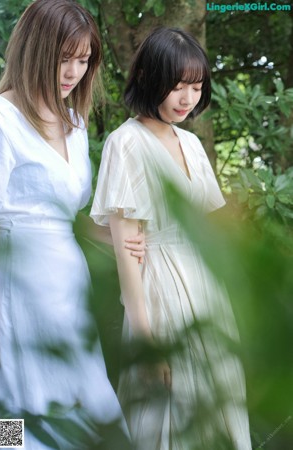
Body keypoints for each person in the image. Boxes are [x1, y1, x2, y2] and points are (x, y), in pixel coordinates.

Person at [91, 27, 253, 450]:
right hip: (158, 291)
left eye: (196, 87)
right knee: (168, 411)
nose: (187, 99)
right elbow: (129, 253)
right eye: (177, 86)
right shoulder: (125, 144)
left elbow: (211, 230)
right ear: (146, 78)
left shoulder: (193, 145)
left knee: (218, 403)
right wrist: (146, 341)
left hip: (207, 292)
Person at [0, 1, 145, 449]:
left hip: (67, 289)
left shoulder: (74, 123)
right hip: (14, 287)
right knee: (13, 405)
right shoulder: (0, 120)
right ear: (35, 50)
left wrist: (120, 239)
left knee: (89, 402)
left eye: (84, 59)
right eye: (65, 58)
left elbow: (68, 215)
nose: (75, 71)